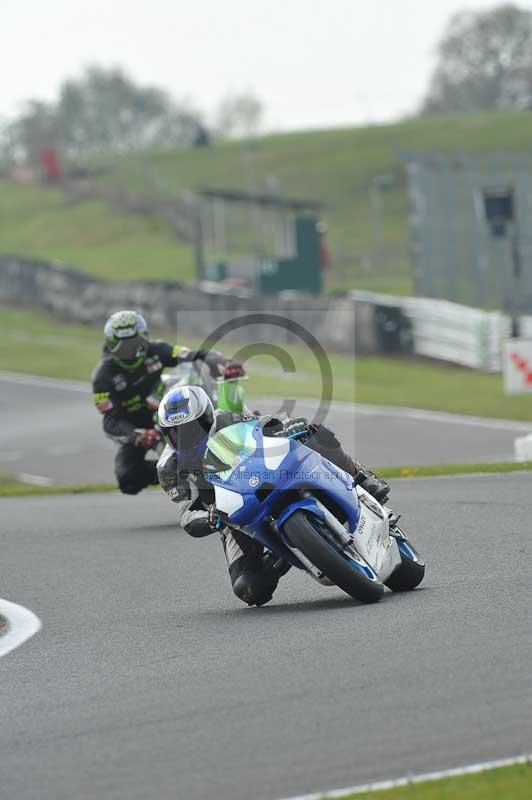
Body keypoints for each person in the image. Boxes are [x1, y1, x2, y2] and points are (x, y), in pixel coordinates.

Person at [156, 385, 390, 607]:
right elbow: (187, 515)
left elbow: (266, 425)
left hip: (266, 475)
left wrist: (289, 426)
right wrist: (208, 518)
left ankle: (363, 477)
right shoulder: (170, 467)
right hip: (232, 516)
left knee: (313, 432)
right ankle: (282, 557)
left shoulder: (229, 418)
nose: (186, 438)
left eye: (192, 428)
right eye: (176, 434)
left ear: (207, 417)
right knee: (249, 589)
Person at [92, 310, 231, 495]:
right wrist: (136, 435)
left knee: (196, 430)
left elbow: (190, 354)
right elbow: (110, 421)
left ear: (144, 339)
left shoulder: (156, 350)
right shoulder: (103, 376)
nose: (130, 353)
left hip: (163, 412)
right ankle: (173, 474)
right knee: (127, 479)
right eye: (122, 347)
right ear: (111, 346)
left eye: (134, 345)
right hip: (134, 427)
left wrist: (217, 359)